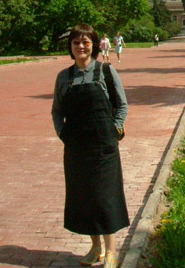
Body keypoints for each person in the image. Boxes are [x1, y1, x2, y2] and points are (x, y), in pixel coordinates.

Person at [51, 24, 129, 268]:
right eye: (76, 43)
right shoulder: (64, 77)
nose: (81, 47)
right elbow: (56, 110)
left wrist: (114, 129)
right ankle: (96, 248)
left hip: (103, 147)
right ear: (71, 48)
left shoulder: (106, 71)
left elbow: (122, 105)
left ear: (94, 45)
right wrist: (63, 133)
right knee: (83, 196)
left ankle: (112, 252)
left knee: (105, 196)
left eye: (85, 42)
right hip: (76, 147)